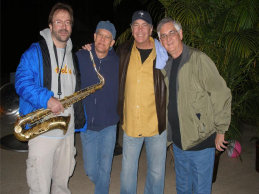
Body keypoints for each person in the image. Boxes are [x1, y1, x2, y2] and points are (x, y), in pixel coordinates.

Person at [15, 3, 85, 194]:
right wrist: (47, 99)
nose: (64, 26)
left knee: (62, 185)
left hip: (67, 131)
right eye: (59, 22)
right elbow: (21, 82)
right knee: (39, 187)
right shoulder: (34, 52)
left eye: (68, 22)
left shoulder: (73, 56)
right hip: (42, 132)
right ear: (50, 26)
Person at [156, 17, 232, 194]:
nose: (168, 39)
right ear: (160, 41)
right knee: (183, 187)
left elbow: (221, 93)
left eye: (172, 33)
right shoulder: (165, 65)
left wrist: (221, 130)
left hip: (201, 141)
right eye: (163, 36)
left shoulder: (198, 60)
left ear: (180, 34)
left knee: (200, 189)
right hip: (178, 142)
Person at [116, 10, 167, 194]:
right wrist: (91, 51)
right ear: (131, 29)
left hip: (156, 123)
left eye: (144, 25)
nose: (140, 29)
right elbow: (104, 62)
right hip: (131, 122)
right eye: (136, 25)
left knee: (156, 172)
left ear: (151, 29)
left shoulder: (164, 52)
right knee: (128, 172)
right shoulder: (123, 51)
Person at [76, 21, 119, 194]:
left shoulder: (118, 62)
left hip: (109, 124)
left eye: (107, 37)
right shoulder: (80, 56)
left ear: (112, 42)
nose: (102, 39)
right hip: (87, 125)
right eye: (100, 35)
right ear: (94, 37)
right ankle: (102, 183)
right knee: (91, 170)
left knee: (105, 168)